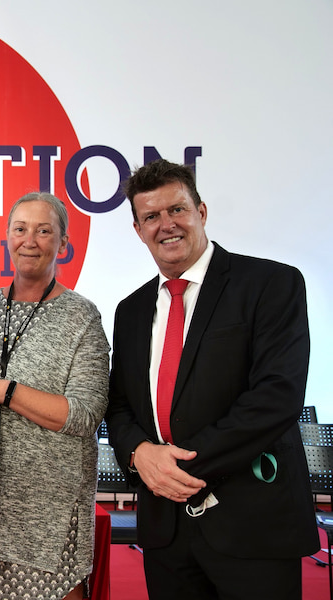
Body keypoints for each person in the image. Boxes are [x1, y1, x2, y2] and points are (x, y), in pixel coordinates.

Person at [104, 159, 318, 599]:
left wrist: (176, 467)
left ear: (201, 212)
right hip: (166, 529)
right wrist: (140, 453)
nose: (167, 225)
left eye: (176, 210)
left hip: (252, 524)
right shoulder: (131, 310)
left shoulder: (271, 283)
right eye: (151, 216)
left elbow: (276, 396)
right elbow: (120, 404)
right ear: (137, 229)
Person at [0, 192, 109, 600]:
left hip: (51, 506)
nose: (31, 240)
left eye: (45, 231)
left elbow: (85, 414)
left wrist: (5, 392)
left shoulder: (82, 316)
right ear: (6, 237)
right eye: (21, 229)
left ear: (63, 244)